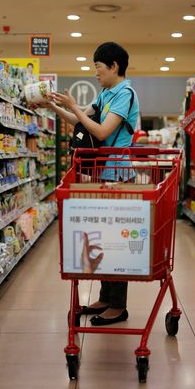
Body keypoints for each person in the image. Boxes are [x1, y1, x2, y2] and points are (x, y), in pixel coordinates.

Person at [47, 42, 140, 326]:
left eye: (98, 67)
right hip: (103, 175)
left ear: (113, 66)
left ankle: (119, 306)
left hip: (119, 177)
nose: (95, 73)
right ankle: (106, 296)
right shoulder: (105, 94)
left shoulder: (125, 94)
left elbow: (101, 130)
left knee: (118, 241)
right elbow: (80, 121)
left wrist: (74, 104)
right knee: (102, 237)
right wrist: (53, 106)